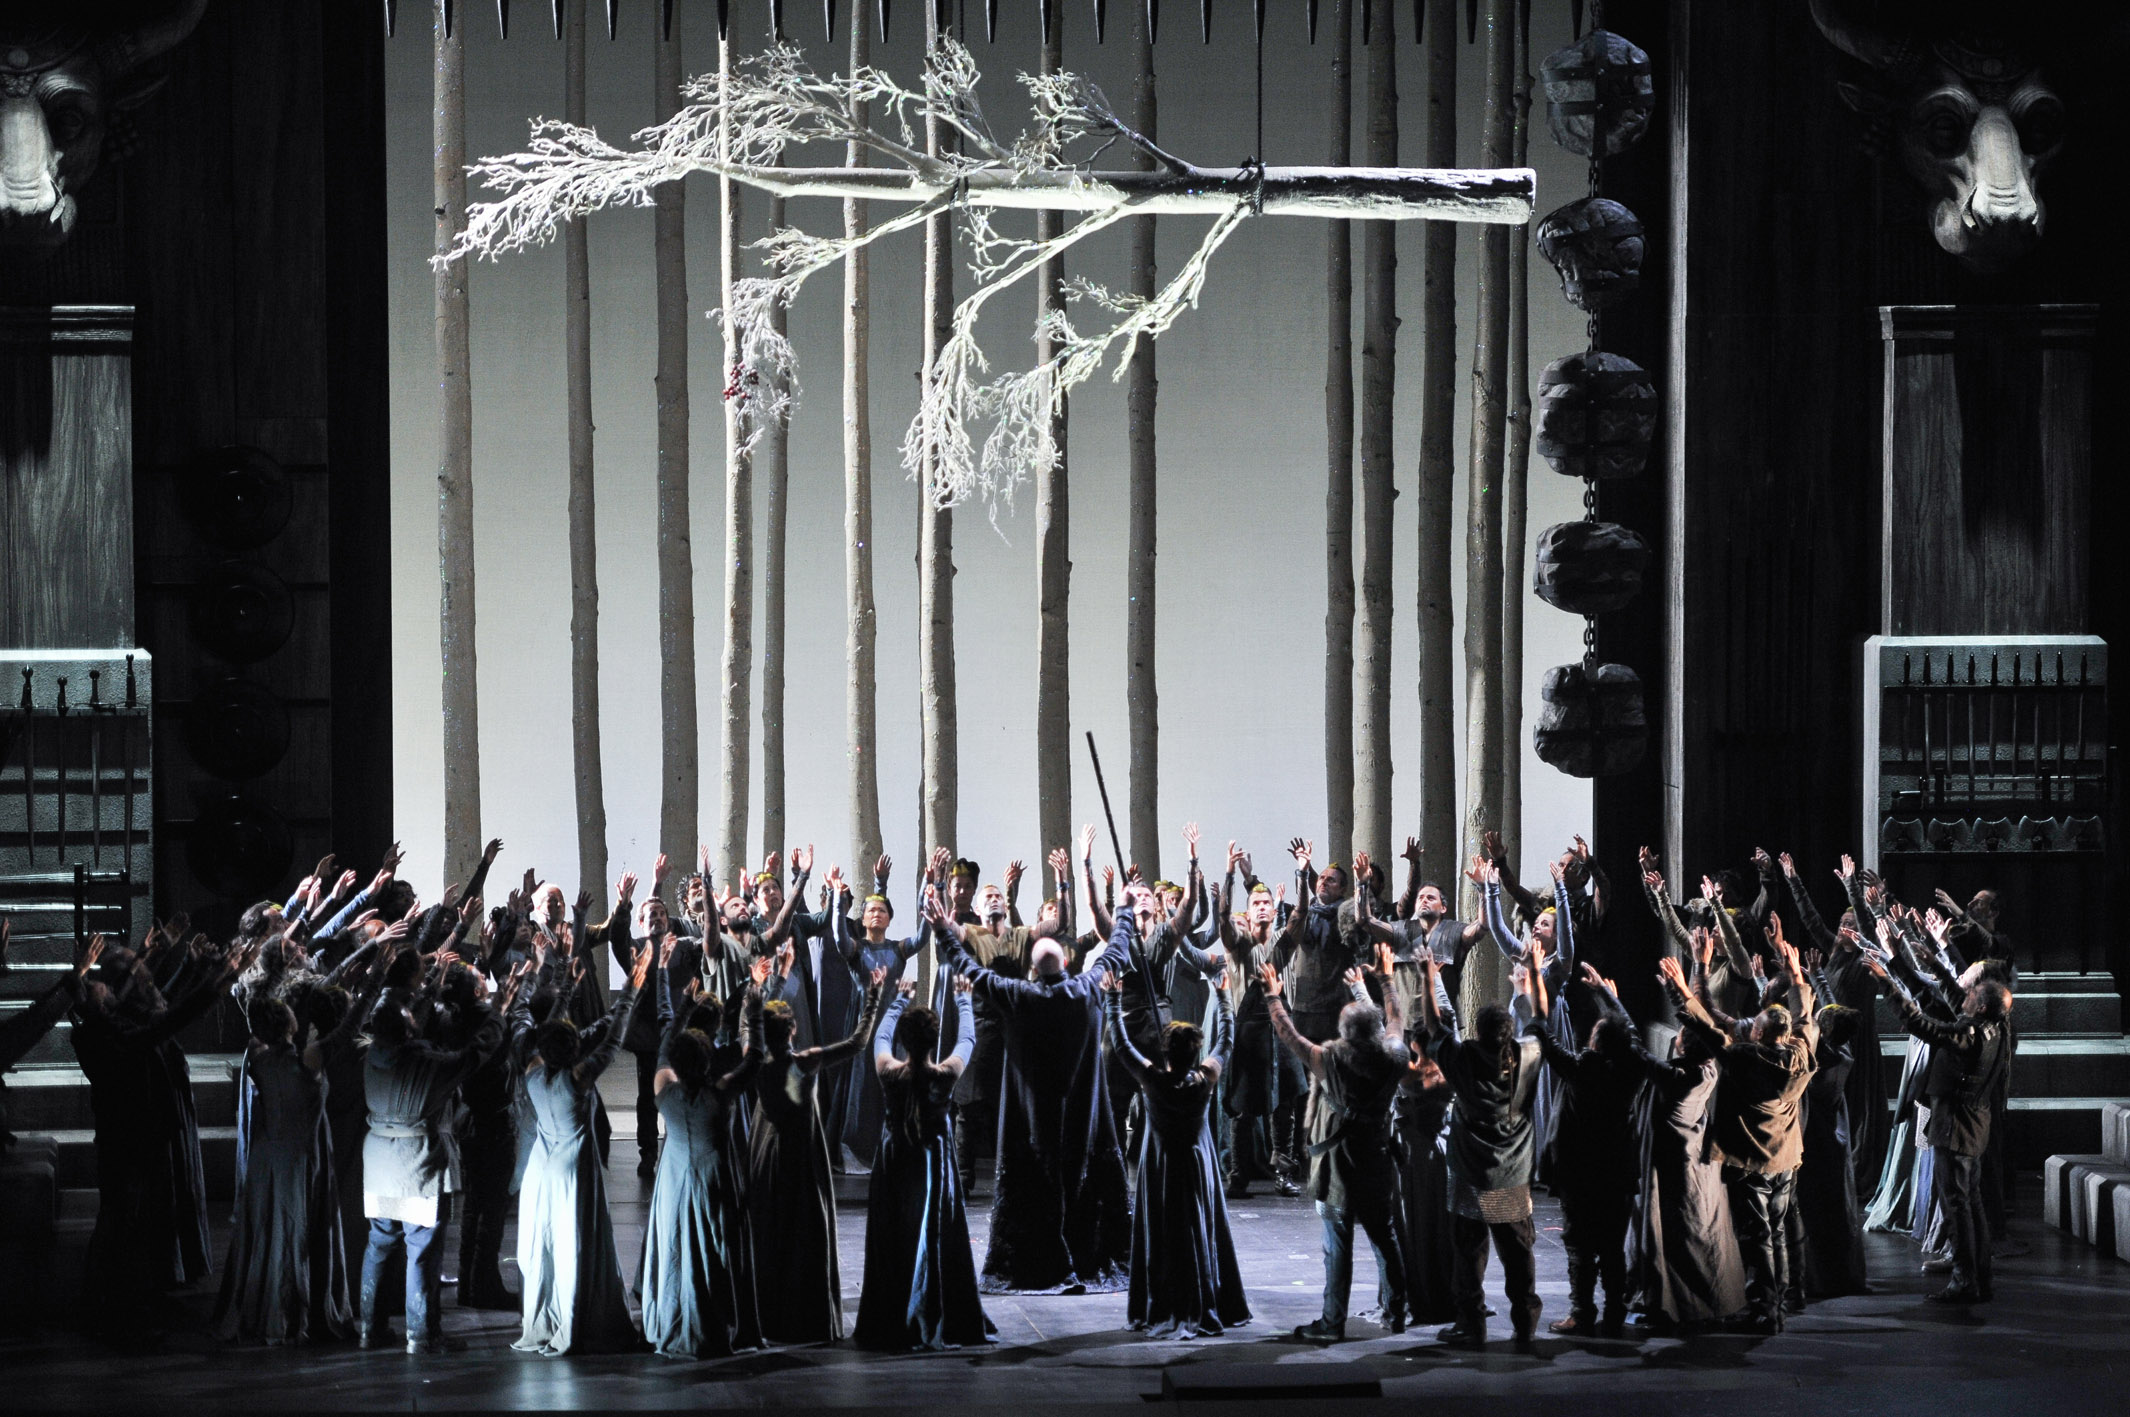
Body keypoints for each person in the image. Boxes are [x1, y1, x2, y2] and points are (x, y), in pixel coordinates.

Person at [928, 885, 1131, 1295]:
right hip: (1080, 1118)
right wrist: (1124, 912)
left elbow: (970, 970)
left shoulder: (1018, 996)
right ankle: (1083, 1254)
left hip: (1035, 1123)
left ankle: (1041, 1259)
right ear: (1066, 963)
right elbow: (1117, 951)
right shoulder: (1087, 988)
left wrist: (943, 932)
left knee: (1039, 1184)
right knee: (1078, 1180)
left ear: (1032, 970)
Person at [214, 939, 397, 1344]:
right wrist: (377, 977)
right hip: (300, 1159)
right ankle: (288, 1312)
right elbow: (349, 1027)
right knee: (294, 1233)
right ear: (289, 1022)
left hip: (267, 1158)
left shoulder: (256, 1052)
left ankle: (264, 1307)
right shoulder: (310, 1057)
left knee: (270, 1232)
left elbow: (262, 1007)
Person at [1659, 936, 1818, 1335]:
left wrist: (1685, 986)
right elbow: (1805, 1018)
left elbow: (1706, 1027)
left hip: (1751, 1159)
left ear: (1759, 1035)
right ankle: (1779, 1299)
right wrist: (1797, 976)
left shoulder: (1744, 1058)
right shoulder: (1800, 1054)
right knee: (1776, 1231)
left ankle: (1766, 1308)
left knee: (1758, 1237)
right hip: (1786, 1157)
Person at [358, 949, 505, 1353]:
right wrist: (497, 1014)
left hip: (379, 1159)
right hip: (416, 1161)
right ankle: (422, 1334)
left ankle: (370, 1328)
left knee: (380, 1243)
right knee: (421, 1247)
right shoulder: (426, 1062)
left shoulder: (371, 1055)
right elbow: (474, 1055)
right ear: (406, 1027)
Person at [510, 941, 651, 1356]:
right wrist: (631, 992)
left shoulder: (532, 1069)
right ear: (573, 1049)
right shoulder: (576, 1081)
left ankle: (547, 1313)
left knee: (548, 1244)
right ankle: (574, 1315)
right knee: (573, 1244)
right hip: (572, 1168)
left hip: (542, 1167)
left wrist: (556, 985)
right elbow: (610, 1041)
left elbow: (528, 1026)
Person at [1099, 949, 1249, 1339]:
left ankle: (1164, 1300)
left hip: (1162, 1167)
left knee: (1164, 1229)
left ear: (1165, 1051)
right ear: (1194, 1051)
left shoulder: (1153, 1081)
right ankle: (1201, 1293)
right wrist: (1224, 997)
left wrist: (1113, 1000)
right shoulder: (1205, 1079)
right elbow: (1225, 1041)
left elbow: (1122, 1046)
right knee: (1196, 1225)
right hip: (1195, 1164)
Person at [1264, 949, 1410, 1343]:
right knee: (1385, 1238)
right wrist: (1385, 981)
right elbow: (1396, 1019)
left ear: (1343, 1033)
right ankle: (1397, 1313)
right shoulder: (1394, 1056)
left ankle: (1332, 1323)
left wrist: (1273, 996)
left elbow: (1289, 1035)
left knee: (1337, 1246)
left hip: (1338, 1167)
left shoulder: (1329, 1059)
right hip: (1377, 1157)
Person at [748, 955, 886, 1344]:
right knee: (803, 1229)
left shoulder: (756, 1061)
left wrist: (762, 988)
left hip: (766, 1155)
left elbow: (750, 1023)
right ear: (793, 1030)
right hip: (799, 1155)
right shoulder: (805, 1062)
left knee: (771, 1229)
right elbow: (858, 1043)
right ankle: (803, 1315)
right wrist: (873, 998)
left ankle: (768, 1313)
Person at [1863, 951, 2013, 1304]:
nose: (1965, 996)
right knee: (1971, 1204)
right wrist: (1923, 963)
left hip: (1955, 1129)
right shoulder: (1999, 1028)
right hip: (1975, 1128)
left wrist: (1886, 984)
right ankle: (1980, 1278)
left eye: (1972, 995)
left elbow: (1922, 1024)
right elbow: (1951, 995)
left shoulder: (1969, 1035)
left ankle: (1964, 1280)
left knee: (1957, 1207)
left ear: (1980, 1007)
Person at [854, 977, 995, 1352]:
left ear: (905, 1041)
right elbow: (968, 1040)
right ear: (933, 1041)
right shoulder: (945, 1076)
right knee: (929, 1231)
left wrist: (897, 999)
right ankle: (930, 1305)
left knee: (895, 1232)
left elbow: (880, 1039)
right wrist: (963, 1000)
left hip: (895, 1162)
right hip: (932, 1166)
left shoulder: (889, 1072)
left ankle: (893, 1307)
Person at [1523, 943, 1647, 1336]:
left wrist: (1533, 978)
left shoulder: (1580, 1069)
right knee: (1611, 1248)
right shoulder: (1631, 1070)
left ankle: (1582, 1312)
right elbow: (1631, 1033)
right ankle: (1614, 1313)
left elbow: (1542, 1030)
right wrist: (1607, 997)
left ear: (1594, 1042)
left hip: (1579, 1175)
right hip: (1616, 1173)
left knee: (1579, 1246)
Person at [1419, 955, 1543, 1349]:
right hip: (1512, 1176)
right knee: (1518, 1255)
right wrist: (1530, 979)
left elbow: (1436, 1026)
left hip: (1472, 1176)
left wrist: (1428, 978)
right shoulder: (1528, 1056)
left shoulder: (1464, 1060)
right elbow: (1540, 1020)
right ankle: (1525, 1323)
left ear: (1478, 1031)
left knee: (1469, 1255)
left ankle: (1471, 1325)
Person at [641, 972, 766, 1358]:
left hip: (675, 1176)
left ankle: (675, 1312)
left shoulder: (664, 1091)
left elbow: (664, 1052)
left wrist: (682, 1008)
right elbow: (755, 1059)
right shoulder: (720, 1094)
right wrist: (754, 1011)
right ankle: (715, 1319)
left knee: (678, 1244)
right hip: (713, 1176)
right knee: (714, 1248)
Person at [1628, 1022, 1746, 1333]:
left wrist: (1609, 1001)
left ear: (1685, 1044)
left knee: (1676, 1232)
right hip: (1695, 1158)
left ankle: (1680, 1301)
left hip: (1672, 1163)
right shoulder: (1709, 1070)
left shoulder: (1677, 1076)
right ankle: (1711, 1297)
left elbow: (1635, 1046)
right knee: (1697, 1225)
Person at [1217, 874, 1300, 1199]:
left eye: (1267, 903)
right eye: (1256, 903)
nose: (1262, 907)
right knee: (1243, 1109)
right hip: (1249, 1033)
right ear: (1248, 912)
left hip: (1280, 1029)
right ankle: (1238, 1177)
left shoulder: (1281, 944)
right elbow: (1224, 920)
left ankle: (1283, 1173)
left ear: (1274, 910)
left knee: (1285, 1107)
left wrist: (1303, 873)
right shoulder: (1240, 945)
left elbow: (1301, 916)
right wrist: (1229, 875)